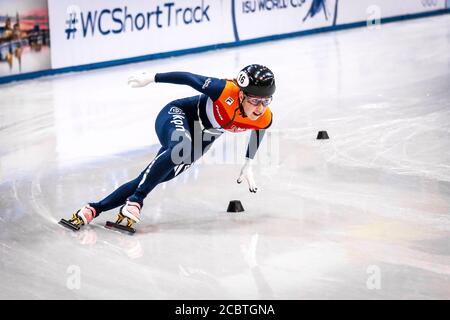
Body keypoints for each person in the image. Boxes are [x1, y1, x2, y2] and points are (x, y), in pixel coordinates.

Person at [65, 64, 276, 230]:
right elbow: (188, 78)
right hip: (179, 114)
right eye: (255, 100)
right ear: (241, 94)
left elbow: (259, 133)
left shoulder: (263, 117)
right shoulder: (223, 89)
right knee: (180, 148)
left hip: (204, 137)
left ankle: (93, 209)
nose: (259, 108)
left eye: (266, 101)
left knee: (151, 177)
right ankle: (136, 201)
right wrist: (153, 77)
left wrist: (248, 164)